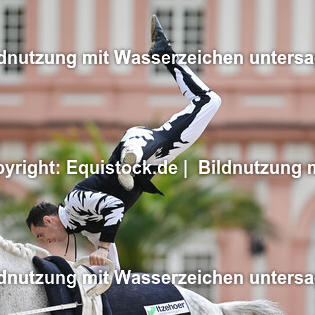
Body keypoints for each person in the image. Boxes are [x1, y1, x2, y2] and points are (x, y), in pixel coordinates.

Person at [27, 16, 222, 267]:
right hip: (158, 156)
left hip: (140, 144)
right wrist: (103, 271)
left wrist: (104, 249)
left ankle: (128, 160)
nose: (48, 242)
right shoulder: (86, 228)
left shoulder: (75, 202)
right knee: (209, 101)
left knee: (137, 144)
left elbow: (114, 205)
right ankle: (164, 52)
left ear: (50, 220)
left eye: (42, 235)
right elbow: (113, 269)